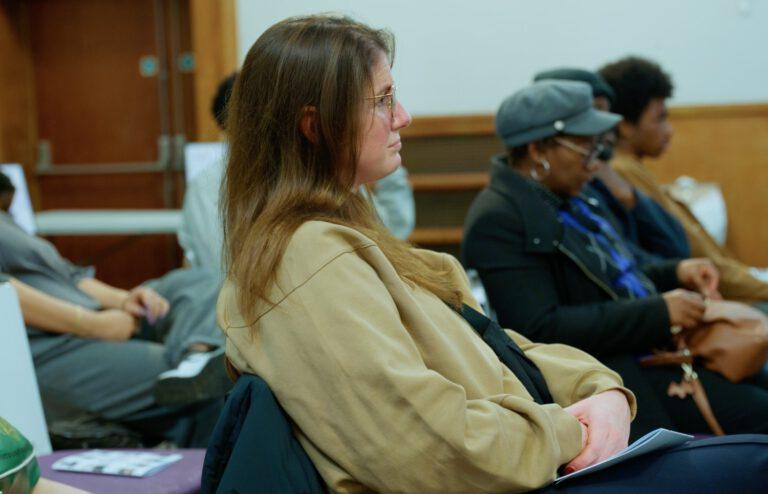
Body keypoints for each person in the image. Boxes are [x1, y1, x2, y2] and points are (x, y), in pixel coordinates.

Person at [216, 14, 768, 493]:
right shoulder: (307, 257)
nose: (403, 116)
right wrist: (572, 428)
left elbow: (497, 345)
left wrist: (599, 389)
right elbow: (426, 448)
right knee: (754, 463)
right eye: (382, 100)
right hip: (508, 474)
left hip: (524, 456)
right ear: (314, 126)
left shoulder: (340, 233)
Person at [462, 79, 768, 442]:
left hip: (651, 348)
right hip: (612, 374)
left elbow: (620, 271)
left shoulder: (571, 197)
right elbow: (539, 330)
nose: (595, 165)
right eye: (586, 151)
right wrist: (659, 312)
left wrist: (676, 271)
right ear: (538, 149)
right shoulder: (498, 219)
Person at [0, 203, 228, 447]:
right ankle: (189, 370)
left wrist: (125, 300)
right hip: (47, 346)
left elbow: (70, 276)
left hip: (88, 315)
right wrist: (94, 325)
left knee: (199, 284)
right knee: (185, 381)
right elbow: (5, 292)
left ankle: (195, 357)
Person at [178, 73, 415, 273]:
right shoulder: (314, 173)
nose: (401, 117)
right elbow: (220, 266)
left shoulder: (324, 171)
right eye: (382, 100)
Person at [599, 56, 768, 303]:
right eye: (659, 118)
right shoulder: (623, 171)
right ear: (624, 125)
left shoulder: (630, 168)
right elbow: (689, 250)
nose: (669, 129)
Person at [533, 68, 690, 261]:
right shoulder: (567, 192)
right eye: (594, 114)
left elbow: (676, 248)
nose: (607, 130)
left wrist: (629, 197)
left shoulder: (600, 182)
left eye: (606, 115)